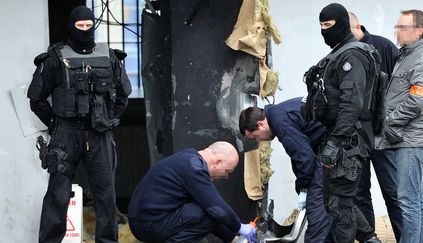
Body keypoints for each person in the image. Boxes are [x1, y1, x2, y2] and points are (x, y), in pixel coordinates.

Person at [27, 5, 131, 243]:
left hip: (99, 134)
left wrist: (109, 118)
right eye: (79, 26)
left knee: (106, 197)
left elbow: (124, 94)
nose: (85, 30)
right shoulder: (55, 57)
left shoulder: (109, 57)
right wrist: (55, 123)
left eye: (88, 25)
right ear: (71, 27)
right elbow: (36, 98)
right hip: (66, 134)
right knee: (57, 195)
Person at [302, 3, 381, 243]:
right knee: (336, 199)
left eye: (329, 25)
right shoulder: (340, 52)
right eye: (322, 26)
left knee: (340, 204)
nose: (325, 30)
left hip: (349, 140)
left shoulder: (352, 55)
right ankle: (369, 238)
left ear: (344, 24)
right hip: (341, 137)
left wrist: (335, 142)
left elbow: (352, 104)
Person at [239, 97, 332, 243]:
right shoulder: (280, 113)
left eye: (255, 136)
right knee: (332, 207)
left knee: (316, 210)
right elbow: (299, 154)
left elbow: (304, 157)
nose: (258, 140)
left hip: (334, 143)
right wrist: (301, 187)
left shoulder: (278, 120)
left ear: (260, 124)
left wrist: (304, 189)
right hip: (335, 142)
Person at [375, 9, 423, 243]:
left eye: (402, 27)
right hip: (405, 139)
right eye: (396, 27)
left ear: (419, 30)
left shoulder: (422, 58)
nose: (396, 32)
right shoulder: (405, 56)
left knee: (408, 203)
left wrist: (389, 120)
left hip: (411, 140)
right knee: (415, 201)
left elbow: (419, 99)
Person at [127, 141, 257, 243]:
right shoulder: (194, 168)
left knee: (207, 210)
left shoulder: (189, 158)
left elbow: (210, 209)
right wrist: (239, 227)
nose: (226, 176)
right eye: (227, 171)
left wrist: (231, 238)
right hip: (149, 223)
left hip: (144, 220)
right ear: (217, 162)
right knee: (211, 211)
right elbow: (217, 208)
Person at [349, 11, 402, 241]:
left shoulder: (384, 46)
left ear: (357, 26)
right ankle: (370, 239)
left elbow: (402, 87)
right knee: (360, 193)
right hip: (357, 137)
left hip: (382, 136)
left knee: (394, 193)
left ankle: (406, 238)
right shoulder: (344, 52)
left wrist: (391, 124)